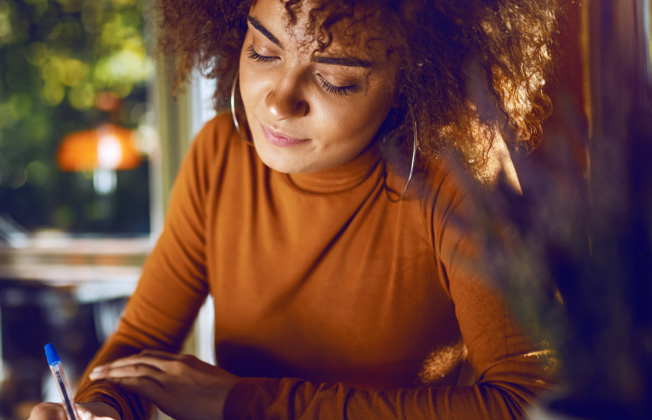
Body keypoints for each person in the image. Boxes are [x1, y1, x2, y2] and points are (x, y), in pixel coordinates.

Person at [29, 0, 558, 418]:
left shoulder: (463, 177)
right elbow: (142, 345)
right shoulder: (220, 154)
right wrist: (98, 409)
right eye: (263, 50)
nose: (279, 101)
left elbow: (529, 401)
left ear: (414, 80)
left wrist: (246, 403)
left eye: (336, 79)